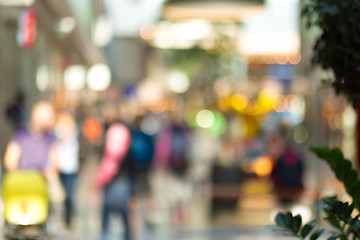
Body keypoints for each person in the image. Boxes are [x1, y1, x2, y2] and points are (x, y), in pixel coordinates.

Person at [93, 121, 132, 240]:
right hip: (123, 180)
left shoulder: (116, 134)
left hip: (116, 181)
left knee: (109, 214)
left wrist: (98, 180)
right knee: (123, 215)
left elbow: (111, 161)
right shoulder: (124, 133)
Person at [4, 100, 57, 177]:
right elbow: (10, 162)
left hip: (41, 182)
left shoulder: (50, 137)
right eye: (50, 118)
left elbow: (55, 164)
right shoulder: (21, 135)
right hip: (23, 181)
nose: (52, 121)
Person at [55, 111, 80, 228]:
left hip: (72, 167)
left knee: (69, 194)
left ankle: (68, 217)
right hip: (60, 167)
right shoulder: (57, 131)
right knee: (60, 194)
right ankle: (61, 216)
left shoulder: (76, 131)